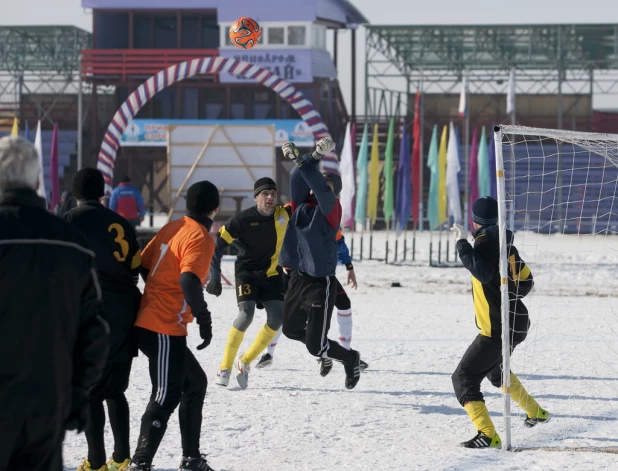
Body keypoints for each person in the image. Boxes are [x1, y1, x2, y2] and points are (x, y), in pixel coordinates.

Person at [0, 136, 109, 471]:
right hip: (47, 404)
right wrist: (75, 397)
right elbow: (96, 331)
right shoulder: (72, 243)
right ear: (36, 180)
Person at [129, 181, 219, 471]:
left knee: (195, 384)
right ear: (214, 208)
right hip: (164, 326)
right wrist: (203, 318)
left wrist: (157, 292)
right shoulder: (201, 237)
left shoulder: (173, 226)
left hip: (155, 320)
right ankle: (140, 463)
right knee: (166, 394)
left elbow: (143, 264)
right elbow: (188, 279)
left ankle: (191, 458)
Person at [450, 196, 550, 448]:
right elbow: (527, 282)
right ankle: (535, 412)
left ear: (475, 221)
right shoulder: (508, 246)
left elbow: (481, 272)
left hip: (497, 329)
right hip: (516, 322)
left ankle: (488, 434)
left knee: (463, 377)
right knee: (497, 372)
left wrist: (462, 243)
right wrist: (505, 294)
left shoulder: (482, 243)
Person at [65, 168, 143, 471]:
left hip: (91, 310)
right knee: (115, 389)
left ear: (75, 193)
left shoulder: (69, 220)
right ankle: (122, 457)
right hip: (125, 309)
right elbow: (135, 264)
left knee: (90, 391)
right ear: (102, 193)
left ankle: (96, 460)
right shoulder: (121, 223)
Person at [279, 137, 362, 390]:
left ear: (334, 190)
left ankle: (350, 358)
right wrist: (311, 159)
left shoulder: (332, 207)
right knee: (291, 330)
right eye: (318, 181)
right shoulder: (302, 203)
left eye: (326, 182)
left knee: (316, 347)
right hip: (297, 277)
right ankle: (327, 348)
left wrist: (311, 159)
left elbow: (316, 183)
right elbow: (297, 177)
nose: (318, 185)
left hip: (319, 282)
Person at [206, 177, 289, 389]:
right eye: (265, 194)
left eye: (273, 193)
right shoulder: (241, 220)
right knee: (246, 316)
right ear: (256, 198)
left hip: (272, 274)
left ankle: (245, 361)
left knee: (278, 318)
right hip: (247, 273)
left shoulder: (284, 214)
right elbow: (218, 247)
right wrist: (214, 276)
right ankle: (224, 367)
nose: (270, 197)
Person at [257, 228, 370, 375]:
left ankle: (343, 352)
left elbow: (339, 241)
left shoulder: (324, 216)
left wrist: (348, 265)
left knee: (344, 304)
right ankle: (269, 353)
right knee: (286, 316)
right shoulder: (287, 214)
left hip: (320, 275)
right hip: (293, 275)